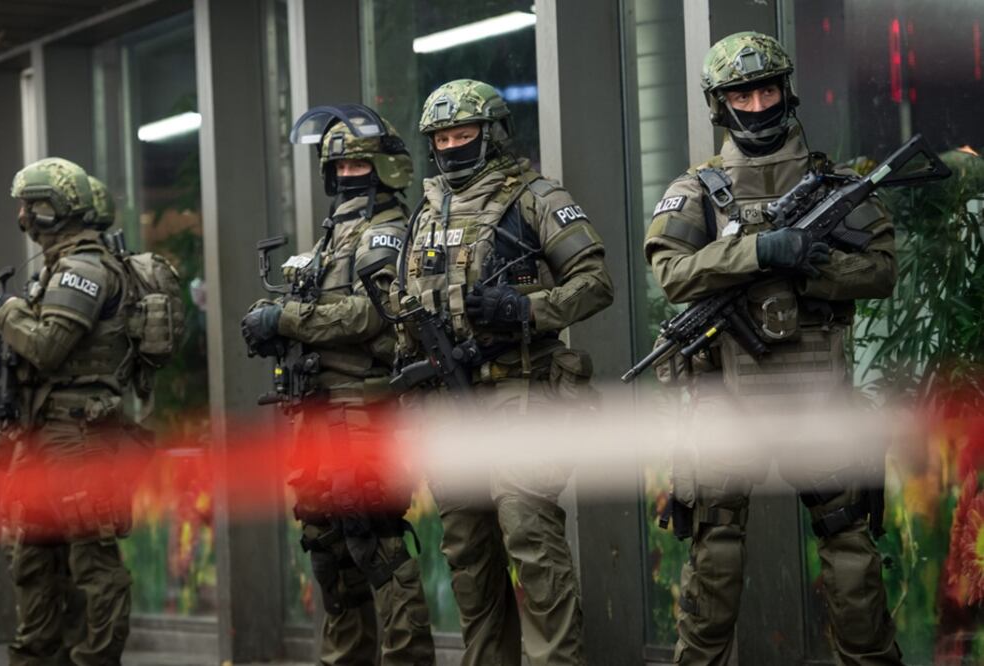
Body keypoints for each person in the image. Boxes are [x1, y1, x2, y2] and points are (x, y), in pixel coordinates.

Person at [644, 32, 902, 665]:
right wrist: (760, 251)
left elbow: (882, 269)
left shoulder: (833, 184)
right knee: (716, 552)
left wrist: (810, 268)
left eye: (766, 90)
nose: (756, 105)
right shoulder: (698, 189)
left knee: (849, 545)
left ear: (787, 92)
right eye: (741, 93)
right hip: (725, 397)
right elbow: (671, 273)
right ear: (719, 104)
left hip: (817, 393)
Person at [396, 79, 613, 665]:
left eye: (464, 133)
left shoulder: (536, 198)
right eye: (441, 136)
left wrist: (527, 309)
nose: (452, 145)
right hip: (449, 407)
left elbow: (595, 284)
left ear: (492, 136)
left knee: (532, 543)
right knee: (468, 556)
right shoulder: (424, 213)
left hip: (521, 395)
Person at [241, 104, 435, 666]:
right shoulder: (333, 236)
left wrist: (286, 320)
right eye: (340, 167)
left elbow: (368, 317)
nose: (348, 176)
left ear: (385, 168)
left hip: (365, 412)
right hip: (318, 413)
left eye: (359, 165)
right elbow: (320, 306)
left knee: (373, 542)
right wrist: (272, 315)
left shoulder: (389, 230)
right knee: (326, 549)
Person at [0, 157, 177, 665]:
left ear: (54, 209)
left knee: (92, 559)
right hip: (45, 433)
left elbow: (49, 346)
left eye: (30, 204)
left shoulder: (82, 269)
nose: (23, 215)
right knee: (33, 557)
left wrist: (6, 313)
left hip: (78, 437)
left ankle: (94, 658)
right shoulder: (55, 268)